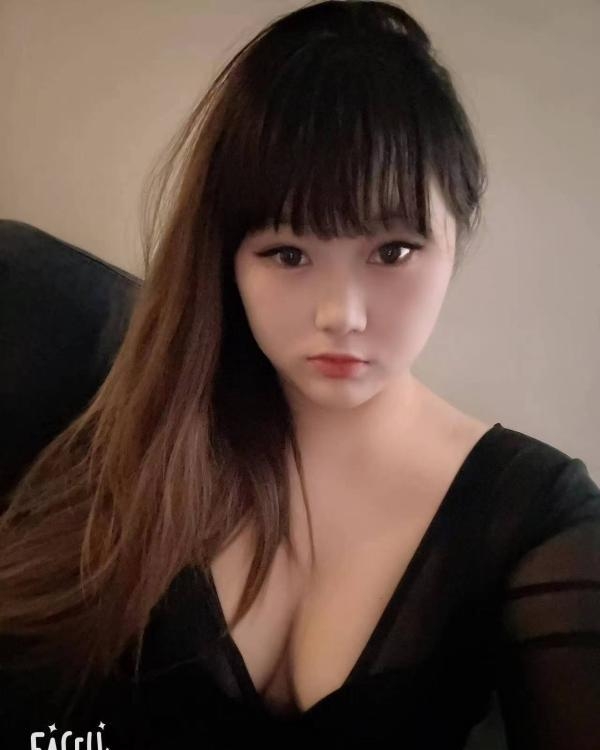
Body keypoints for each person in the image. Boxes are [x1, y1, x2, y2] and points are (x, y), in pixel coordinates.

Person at [1, 1, 598, 748]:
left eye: (392, 251)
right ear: (227, 257)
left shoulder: (541, 520)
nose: (341, 314)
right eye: (288, 253)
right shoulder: (119, 445)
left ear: (458, 234)